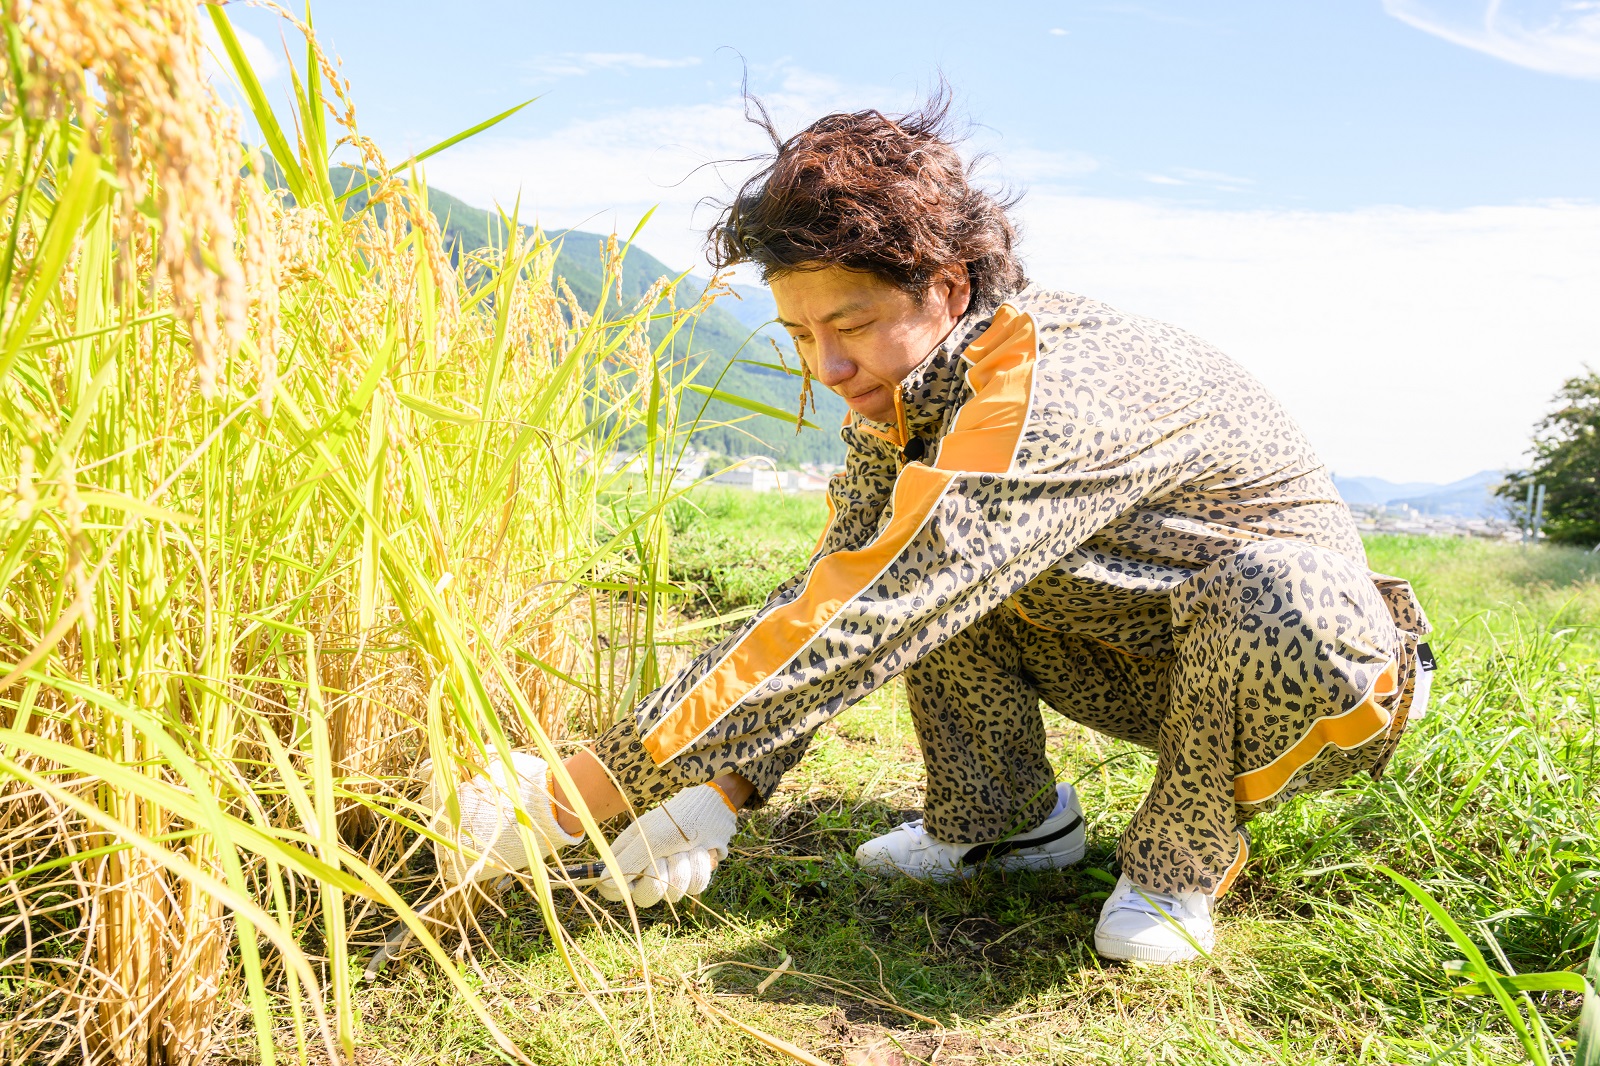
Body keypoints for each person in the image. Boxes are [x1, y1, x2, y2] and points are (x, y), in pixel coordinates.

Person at [424, 97, 1433, 966]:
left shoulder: (1054, 379)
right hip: (1139, 656)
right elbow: (833, 589)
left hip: (1314, 676)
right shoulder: (910, 404)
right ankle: (1002, 820)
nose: (826, 365)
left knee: (1268, 593)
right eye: (801, 333)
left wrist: (575, 791)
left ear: (948, 288)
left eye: (852, 324)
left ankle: (1181, 861)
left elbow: (882, 601)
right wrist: (723, 784)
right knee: (913, 569)